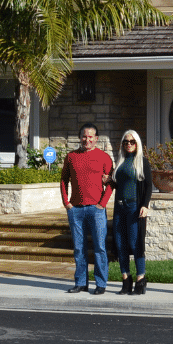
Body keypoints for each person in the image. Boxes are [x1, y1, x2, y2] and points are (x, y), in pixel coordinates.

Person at [59, 122, 113, 294]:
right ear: (79, 137)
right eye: (84, 136)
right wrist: (66, 202)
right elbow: (63, 180)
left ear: (96, 139)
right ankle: (81, 282)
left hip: (96, 210)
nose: (87, 139)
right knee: (79, 248)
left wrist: (102, 204)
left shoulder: (104, 157)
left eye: (90, 137)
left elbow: (111, 183)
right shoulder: (71, 157)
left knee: (99, 247)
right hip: (76, 210)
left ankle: (101, 283)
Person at [109, 129, 152, 295]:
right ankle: (126, 280)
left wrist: (145, 205)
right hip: (119, 207)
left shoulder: (142, 162)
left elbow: (148, 185)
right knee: (120, 245)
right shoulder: (120, 160)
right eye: (126, 142)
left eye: (132, 141)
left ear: (137, 144)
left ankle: (141, 280)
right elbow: (118, 183)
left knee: (136, 244)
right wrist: (109, 179)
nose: (129, 144)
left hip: (134, 208)